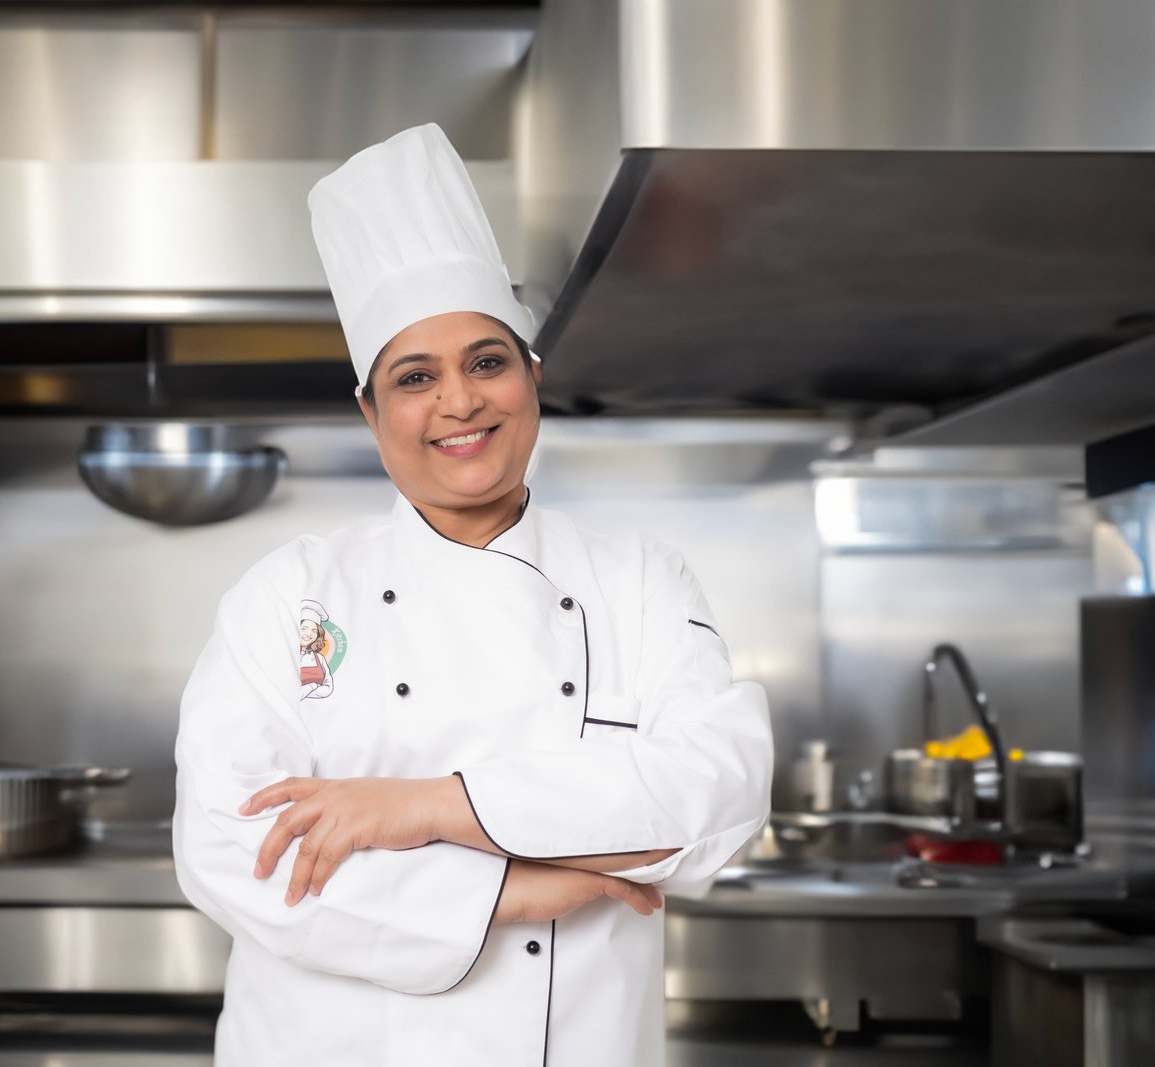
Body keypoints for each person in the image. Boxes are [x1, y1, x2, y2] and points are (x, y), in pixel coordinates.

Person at [173, 123, 773, 1067]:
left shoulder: (639, 581)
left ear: (532, 378)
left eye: (487, 362)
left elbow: (718, 798)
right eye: (415, 377)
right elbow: (229, 848)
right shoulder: (291, 594)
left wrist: (429, 807)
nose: (459, 401)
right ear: (372, 412)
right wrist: (508, 890)